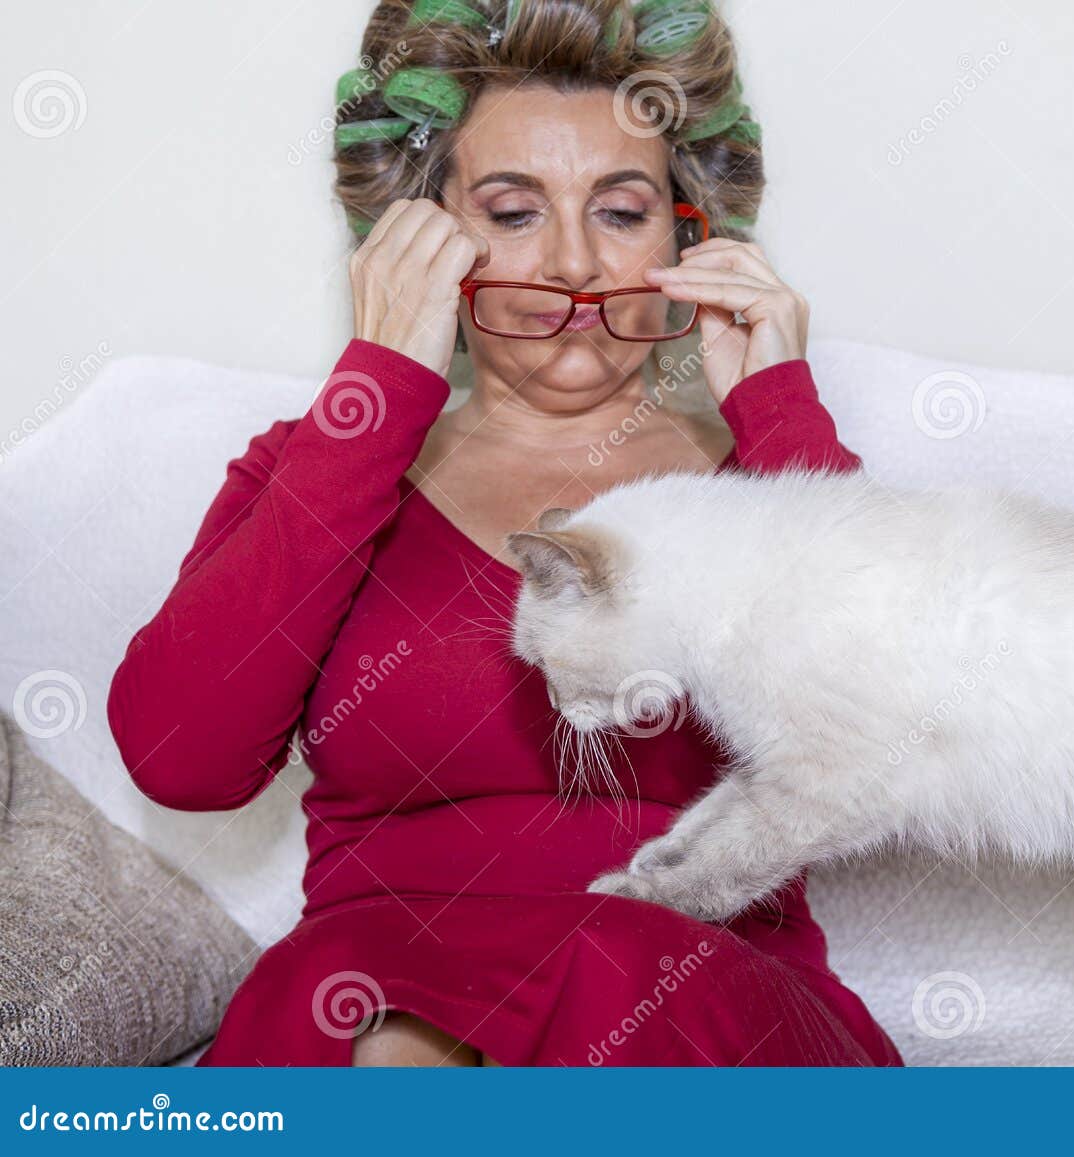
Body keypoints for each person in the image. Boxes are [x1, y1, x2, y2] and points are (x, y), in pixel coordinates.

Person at [107, 0, 900, 1067]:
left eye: (621, 212)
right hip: (372, 990)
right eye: (512, 211)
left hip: (700, 994)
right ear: (421, 237)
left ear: (686, 232)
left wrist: (783, 417)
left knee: (615, 949)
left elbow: (901, 737)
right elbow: (180, 761)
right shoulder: (321, 461)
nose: (572, 261)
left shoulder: (765, 473)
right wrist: (380, 388)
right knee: (339, 1003)